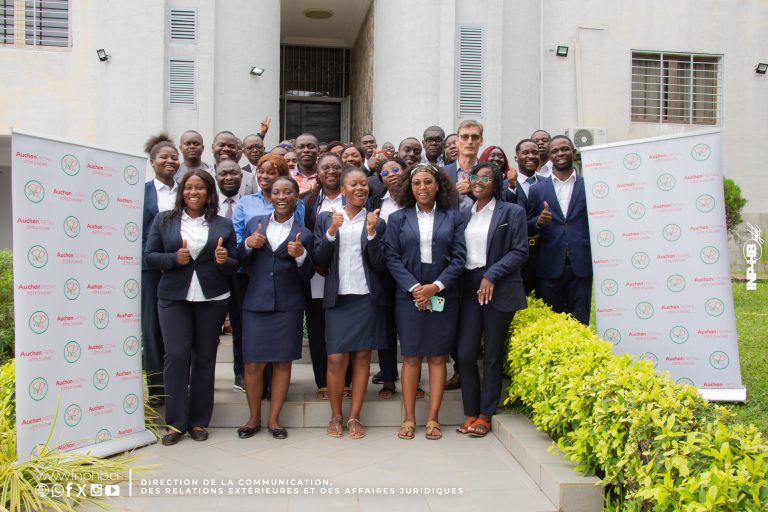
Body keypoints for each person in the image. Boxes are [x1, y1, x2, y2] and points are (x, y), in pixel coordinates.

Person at [144, 170, 238, 445]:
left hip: (213, 297)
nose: (193, 192)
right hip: (174, 297)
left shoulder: (223, 224)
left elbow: (234, 264)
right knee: (176, 356)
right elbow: (150, 257)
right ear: (181, 192)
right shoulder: (165, 220)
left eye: (199, 188)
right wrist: (174, 258)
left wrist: (224, 259)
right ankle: (175, 423)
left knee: (205, 358)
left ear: (209, 192)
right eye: (188, 188)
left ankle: (198, 421)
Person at [385, 163, 466, 440]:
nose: (422, 187)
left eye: (428, 182)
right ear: (409, 187)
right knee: (411, 357)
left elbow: (459, 258)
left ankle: (433, 419)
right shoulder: (397, 219)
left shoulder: (453, 217)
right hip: (408, 295)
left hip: (443, 294)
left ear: (438, 185)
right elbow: (392, 258)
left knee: (437, 357)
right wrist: (415, 288)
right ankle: (409, 418)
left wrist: (436, 287)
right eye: (417, 183)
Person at [237, 176, 315, 440]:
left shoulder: (305, 234)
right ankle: (253, 418)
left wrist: (301, 255)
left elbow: (308, 274)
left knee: (282, 363)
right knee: (252, 364)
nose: (282, 197)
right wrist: (248, 244)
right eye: (277, 192)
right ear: (270, 196)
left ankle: (274, 420)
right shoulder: (254, 224)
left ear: (296, 197)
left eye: (288, 192)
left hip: (287, 306)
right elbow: (241, 259)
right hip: (256, 303)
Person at [314, 166, 388, 438]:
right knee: (335, 359)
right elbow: (319, 259)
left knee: (362, 357)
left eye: (363, 184)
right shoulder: (326, 218)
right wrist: (332, 231)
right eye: (354, 184)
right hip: (338, 298)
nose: (360, 188)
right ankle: (336, 416)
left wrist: (372, 233)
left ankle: (355, 416)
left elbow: (380, 265)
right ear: (343, 189)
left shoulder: (376, 221)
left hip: (366, 298)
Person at [456, 162, 528, 437]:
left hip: (498, 286)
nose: (479, 181)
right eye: (475, 176)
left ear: (496, 183)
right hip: (469, 287)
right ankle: (471, 411)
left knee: (492, 355)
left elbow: (519, 251)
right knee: (465, 353)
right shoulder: (464, 213)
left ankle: (485, 414)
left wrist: (492, 274)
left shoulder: (512, 212)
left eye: (486, 178)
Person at [526, 135, 592, 325]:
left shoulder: (589, 185)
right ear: (549, 156)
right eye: (554, 151)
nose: (560, 153)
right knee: (552, 323)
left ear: (573, 152)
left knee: (581, 321)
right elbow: (527, 224)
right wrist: (538, 221)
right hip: (550, 264)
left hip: (581, 263)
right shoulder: (537, 189)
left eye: (564, 149)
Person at [304, 153, 352, 400]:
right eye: (325, 167)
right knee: (318, 326)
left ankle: (346, 380)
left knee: (345, 326)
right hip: (317, 273)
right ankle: (322, 381)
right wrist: (317, 262)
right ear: (317, 172)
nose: (331, 171)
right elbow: (304, 234)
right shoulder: (309, 201)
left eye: (336, 167)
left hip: (346, 273)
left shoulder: (353, 196)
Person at [142, 133, 180, 403]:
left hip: (183, 266)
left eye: (174, 157)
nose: (170, 161)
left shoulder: (186, 190)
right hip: (151, 269)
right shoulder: (141, 192)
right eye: (164, 157)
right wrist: (158, 260)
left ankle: (180, 384)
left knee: (179, 330)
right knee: (152, 327)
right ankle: (157, 388)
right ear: (152, 161)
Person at [366, 158, 407, 398]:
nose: (391, 174)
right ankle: (389, 378)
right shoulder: (375, 203)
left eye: (395, 169)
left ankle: (413, 380)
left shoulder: (416, 199)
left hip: (411, 272)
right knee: (387, 326)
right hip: (383, 273)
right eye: (385, 172)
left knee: (410, 326)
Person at [507, 139, 544, 295]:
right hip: (517, 252)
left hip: (544, 252)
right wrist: (511, 186)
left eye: (535, 153)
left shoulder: (548, 183)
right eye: (526, 152)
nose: (531, 156)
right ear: (516, 158)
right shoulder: (505, 185)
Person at [211, 131, 254, 196]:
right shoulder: (203, 175)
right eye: (221, 145)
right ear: (213, 147)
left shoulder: (250, 178)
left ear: (237, 150)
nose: (226, 149)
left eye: (231, 146)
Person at [293, 133, 320, 197]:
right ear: (294, 151)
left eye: (311, 147)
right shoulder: (287, 176)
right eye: (301, 147)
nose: (306, 150)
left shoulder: (326, 176)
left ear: (318, 151)